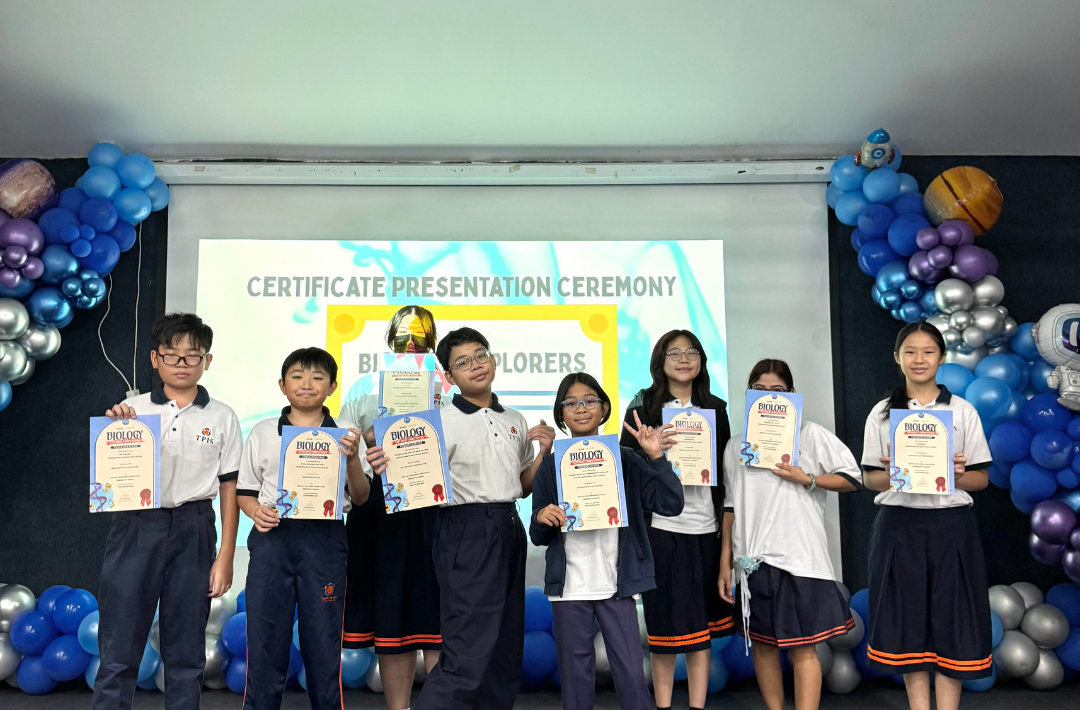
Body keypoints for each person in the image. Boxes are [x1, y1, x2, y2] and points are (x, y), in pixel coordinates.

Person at [367, 326, 556, 710]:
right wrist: (385, 464)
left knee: (504, 648)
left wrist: (542, 454)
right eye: (463, 362)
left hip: (509, 524)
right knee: (467, 649)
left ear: (493, 359)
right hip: (465, 528)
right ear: (449, 377)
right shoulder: (437, 421)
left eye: (481, 354)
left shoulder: (514, 419)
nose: (476, 365)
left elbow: (521, 486)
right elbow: (411, 482)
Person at [94, 313, 242, 710]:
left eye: (192, 356)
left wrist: (226, 554)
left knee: (186, 650)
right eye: (171, 355)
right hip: (136, 525)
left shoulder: (222, 416)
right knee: (119, 645)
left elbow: (229, 488)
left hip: (195, 527)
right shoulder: (131, 409)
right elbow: (111, 478)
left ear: (206, 361)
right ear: (154, 359)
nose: (181, 364)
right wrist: (115, 432)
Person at [530, 372, 683, 710]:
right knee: (575, 679)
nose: (581, 408)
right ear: (560, 414)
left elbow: (670, 504)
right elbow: (537, 535)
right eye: (571, 403)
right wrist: (541, 516)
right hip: (569, 588)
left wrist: (657, 458)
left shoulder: (626, 460)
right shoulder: (550, 466)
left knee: (631, 676)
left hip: (616, 584)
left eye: (589, 400)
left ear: (604, 409)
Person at [860, 322, 993, 710]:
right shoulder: (882, 413)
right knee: (908, 625)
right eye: (910, 351)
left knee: (952, 623)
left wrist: (956, 474)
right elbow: (869, 479)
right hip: (898, 525)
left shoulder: (962, 410)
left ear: (942, 357)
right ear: (897, 357)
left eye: (928, 352)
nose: (919, 359)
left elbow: (982, 479)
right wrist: (893, 472)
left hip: (951, 527)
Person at [718, 359, 859, 710]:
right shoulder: (735, 446)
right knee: (763, 646)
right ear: (749, 394)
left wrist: (808, 478)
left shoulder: (810, 434)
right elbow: (731, 506)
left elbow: (852, 478)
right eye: (759, 390)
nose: (768, 396)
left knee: (803, 648)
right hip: (752, 562)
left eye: (777, 390)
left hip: (799, 559)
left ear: (791, 394)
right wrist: (726, 562)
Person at [236, 347, 369, 710]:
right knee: (265, 640)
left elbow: (360, 497)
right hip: (272, 539)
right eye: (297, 376)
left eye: (317, 377)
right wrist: (255, 512)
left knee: (323, 641)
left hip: (324, 541)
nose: (306, 384)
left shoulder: (346, 434)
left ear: (332, 386)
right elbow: (245, 492)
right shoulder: (264, 431)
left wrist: (352, 459)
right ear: (282, 385)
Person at [619, 329, 733, 710]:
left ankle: (697, 706)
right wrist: (652, 454)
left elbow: (725, 471)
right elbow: (625, 466)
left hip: (705, 528)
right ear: (660, 361)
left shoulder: (715, 409)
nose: (684, 359)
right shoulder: (643, 407)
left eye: (692, 352)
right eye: (675, 352)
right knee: (663, 629)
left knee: (700, 630)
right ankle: (664, 705)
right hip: (662, 529)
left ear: (701, 359)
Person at [340, 306, 443, 710]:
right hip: (379, 510)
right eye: (403, 336)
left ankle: (441, 705)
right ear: (389, 339)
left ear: (433, 340)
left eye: (420, 336)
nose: (411, 343)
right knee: (391, 617)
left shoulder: (449, 386)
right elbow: (343, 447)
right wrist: (367, 443)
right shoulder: (364, 387)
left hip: (435, 506)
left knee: (438, 616)